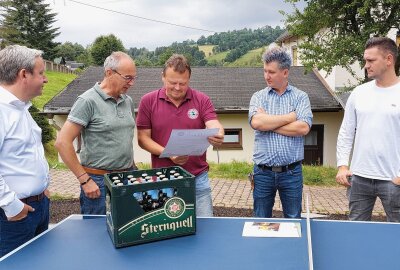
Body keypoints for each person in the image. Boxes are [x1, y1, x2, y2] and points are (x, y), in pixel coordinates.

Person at [136, 54, 224, 217]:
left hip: (197, 179)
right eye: (172, 83)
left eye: (182, 83)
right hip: (162, 179)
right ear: (163, 77)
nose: (177, 87)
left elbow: (213, 122)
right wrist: (169, 153)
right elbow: (142, 138)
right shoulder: (148, 101)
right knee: (163, 229)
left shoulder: (201, 99)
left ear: (189, 80)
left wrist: (218, 132)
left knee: (205, 227)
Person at [55, 51, 137, 215]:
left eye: (134, 78)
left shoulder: (127, 101)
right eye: (128, 77)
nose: (132, 83)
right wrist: (85, 181)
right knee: (97, 235)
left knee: (129, 228)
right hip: (98, 182)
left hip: (128, 178)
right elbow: (62, 142)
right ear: (109, 73)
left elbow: (123, 138)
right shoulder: (87, 101)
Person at [336, 37, 400, 222]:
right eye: (365, 60)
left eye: (371, 61)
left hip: (393, 180)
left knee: (396, 234)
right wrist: (342, 166)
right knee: (356, 232)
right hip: (359, 178)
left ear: (389, 60)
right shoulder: (359, 93)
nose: (366, 65)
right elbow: (346, 132)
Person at [249, 47, 313, 218]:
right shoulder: (258, 96)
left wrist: (268, 121)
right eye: (264, 71)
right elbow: (256, 122)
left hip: (292, 173)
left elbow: (303, 128)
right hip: (262, 173)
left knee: (293, 220)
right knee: (261, 220)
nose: (266, 76)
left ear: (285, 72)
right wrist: (291, 117)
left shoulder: (301, 97)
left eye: (271, 72)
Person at [0, 45, 50, 257]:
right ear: (24, 74)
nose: (46, 79)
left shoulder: (21, 109)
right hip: (12, 217)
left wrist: (44, 188)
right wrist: (12, 206)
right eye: (41, 73)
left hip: (38, 207)